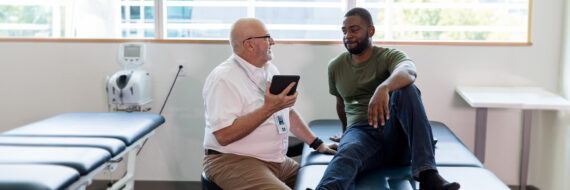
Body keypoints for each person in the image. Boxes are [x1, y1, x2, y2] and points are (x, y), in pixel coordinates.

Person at [314, 8, 460, 190]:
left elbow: (409, 70)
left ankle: (428, 174)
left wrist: (384, 87)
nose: (348, 35)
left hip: (396, 133)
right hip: (362, 134)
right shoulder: (335, 66)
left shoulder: (389, 56)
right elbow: (341, 104)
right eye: (344, 31)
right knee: (347, 151)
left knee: (407, 89)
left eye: (354, 29)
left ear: (371, 31)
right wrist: (345, 134)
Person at [202, 18, 337, 190]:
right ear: (250, 45)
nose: (273, 42)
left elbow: (288, 112)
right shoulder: (223, 78)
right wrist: (269, 108)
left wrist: (317, 143)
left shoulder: (269, 69)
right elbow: (224, 136)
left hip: (276, 161)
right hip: (233, 160)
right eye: (267, 38)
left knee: (329, 183)